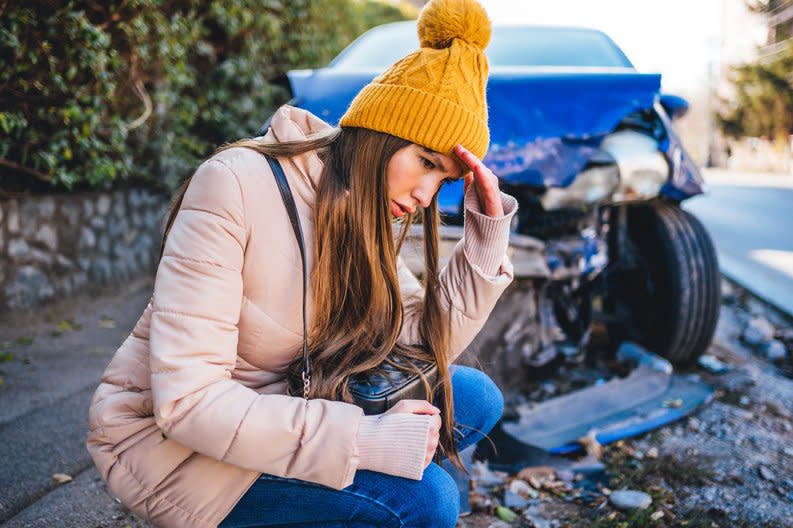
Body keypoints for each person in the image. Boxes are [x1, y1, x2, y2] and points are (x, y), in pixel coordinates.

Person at [86, 0, 518, 526]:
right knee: (429, 500)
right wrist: (364, 441)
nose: (427, 195)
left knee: (473, 396)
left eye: (444, 180)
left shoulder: (363, 208)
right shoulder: (235, 183)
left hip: (285, 400)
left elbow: (421, 340)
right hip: (172, 447)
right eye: (424, 163)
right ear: (378, 134)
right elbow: (188, 404)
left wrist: (485, 237)